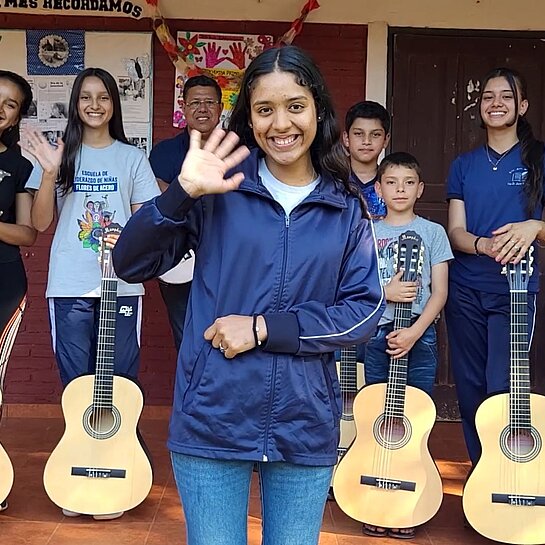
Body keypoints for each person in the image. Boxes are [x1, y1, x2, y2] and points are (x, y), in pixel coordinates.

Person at [113, 45, 385, 545]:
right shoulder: (219, 191)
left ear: (318, 110)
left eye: (295, 106)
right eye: (265, 109)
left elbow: (363, 314)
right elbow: (129, 263)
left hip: (304, 423)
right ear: (250, 120)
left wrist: (264, 328)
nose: (282, 123)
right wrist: (181, 193)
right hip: (213, 417)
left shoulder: (345, 206)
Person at [20, 67, 160, 519]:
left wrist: (129, 238)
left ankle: (118, 467)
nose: (95, 104)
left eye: (103, 97)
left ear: (114, 104)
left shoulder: (133, 159)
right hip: (69, 285)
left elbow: (145, 222)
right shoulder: (63, 156)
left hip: (121, 286)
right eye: (86, 97)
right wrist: (49, 174)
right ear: (75, 105)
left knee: (120, 383)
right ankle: (79, 469)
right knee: (77, 385)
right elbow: (40, 224)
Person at [445, 67, 545, 467]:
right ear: (479, 105)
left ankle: (507, 471)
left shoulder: (539, 158)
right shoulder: (464, 165)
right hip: (465, 289)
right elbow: (455, 232)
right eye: (488, 96)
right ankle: (482, 472)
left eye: (506, 96)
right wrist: (483, 244)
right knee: (469, 388)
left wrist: (534, 225)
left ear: (522, 106)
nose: (496, 103)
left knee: (502, 386)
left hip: (517, 292)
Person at [362, 152, 452, 539]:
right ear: (378, 188)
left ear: (420, 189)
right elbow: (357, 288)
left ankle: (412, 502)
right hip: (377, 335)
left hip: (419, 336)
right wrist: (386, 292)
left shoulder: (433, 233)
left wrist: (415, 331)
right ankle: (373, 494)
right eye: (391, 182)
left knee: (414, 420)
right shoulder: (367, 232)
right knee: (375, 418)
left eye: (408, 182)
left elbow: (440, 292)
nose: (400, 189)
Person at [149, 74, 223, 351]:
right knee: (188, 342)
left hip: (229, 261)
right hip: (181, 261)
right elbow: (157, 198)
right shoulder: (164, 153)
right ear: (183, 107)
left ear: (220, 107)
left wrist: (180, 192)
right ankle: (192, 395)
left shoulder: (239, 150)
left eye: (209, 102)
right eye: (195, 103)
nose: (202, 109)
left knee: (227, 337)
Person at [0, 70, 37, 513]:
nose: (1, 107)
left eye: (10, 104)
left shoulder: (18, 166)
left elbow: (27, 233)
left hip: (5, 286)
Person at [343, 100, 390, 220]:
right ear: (346, 138)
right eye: (359, 134)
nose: (366, 141)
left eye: (375, 135)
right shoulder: (331, 180)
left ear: (386, 140)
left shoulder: (392, 184)